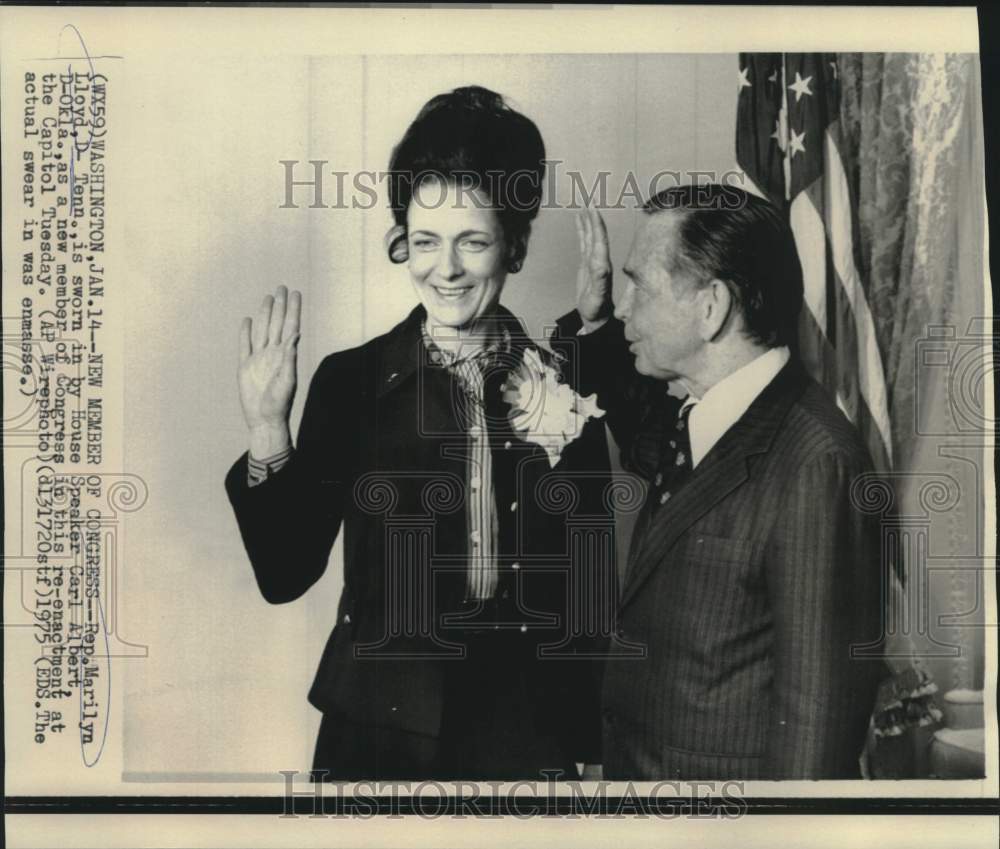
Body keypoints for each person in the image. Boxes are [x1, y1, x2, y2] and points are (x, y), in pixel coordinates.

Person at [224, 86, 612, 780]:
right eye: (426, 241)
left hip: (522, 736)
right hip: (377, 732)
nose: (447, 269)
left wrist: (588, 750)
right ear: (401, 240)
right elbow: (286, 575)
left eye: (474, 241)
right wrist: (267, 432)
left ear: (515, 246)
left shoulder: (565, 383)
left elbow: (589, 592)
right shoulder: (350, 383)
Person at [558, 184, 884, 779]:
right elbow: (620, 399)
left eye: (641, 287)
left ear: (711, 307)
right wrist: (594, 318)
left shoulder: (817, 464)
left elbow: (815, 728)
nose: (627, 307)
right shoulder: (693, 412)